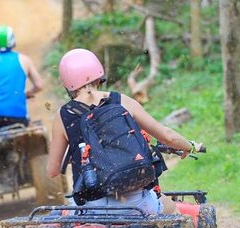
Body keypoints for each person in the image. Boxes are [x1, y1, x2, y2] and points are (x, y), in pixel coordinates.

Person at [47, 48, 202, 214]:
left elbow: (53, 171)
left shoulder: (62, 116)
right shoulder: (122, 101)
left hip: (89, 209)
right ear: (99, 74)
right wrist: (190, 146)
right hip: (136, 204)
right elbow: (168, 136)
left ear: (67, 83)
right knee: (173, 212)